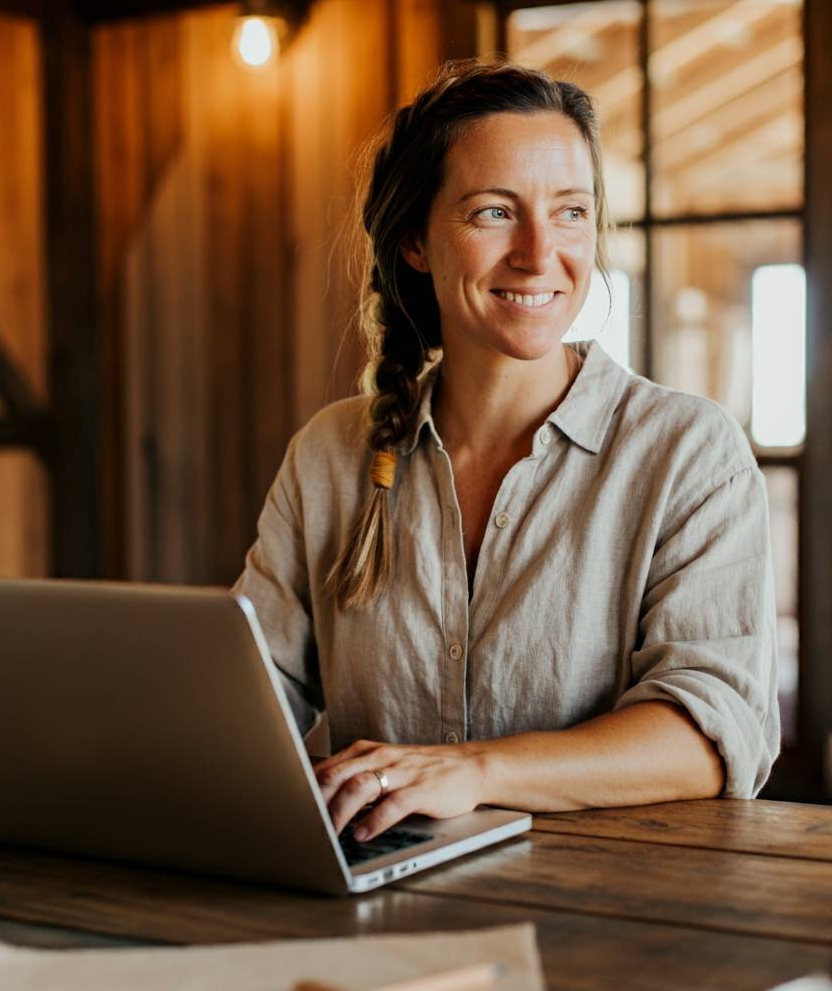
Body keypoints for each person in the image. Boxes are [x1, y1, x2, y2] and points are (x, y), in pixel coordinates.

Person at [232, 59, 780, 845]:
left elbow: (708, 737)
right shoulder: (329, 456)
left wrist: (475, 770)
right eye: (494, 213)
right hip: (378, 914)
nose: (538, 252)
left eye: (570, 212)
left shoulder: (688, 453)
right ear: (416, 241)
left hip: (624, 922)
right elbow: (248, 701)